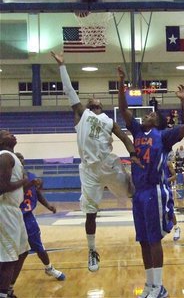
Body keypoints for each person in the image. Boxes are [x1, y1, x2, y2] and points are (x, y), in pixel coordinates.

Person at [51, 52, 137, 272]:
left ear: (102, 108)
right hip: (89, 170)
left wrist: (132, 152)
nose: (94, 103)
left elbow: (124, 136)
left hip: (109, 165)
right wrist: (62, 67)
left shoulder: (108, 120)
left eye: (97, 103)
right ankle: (92, 250)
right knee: (90, 212)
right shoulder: (83, 115)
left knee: (133, 193)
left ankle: (149, 217)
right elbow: (69, 91)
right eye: (91, 103)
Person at [117, 66, 184, 298]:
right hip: (139, 193)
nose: (147, 115)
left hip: (155, 191)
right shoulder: (138, 132)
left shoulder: (164, 136)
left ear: (158, 122)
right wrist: (121, 84)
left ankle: (160, 286)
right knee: (142, 240)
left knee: (153, 239)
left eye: (151, 115)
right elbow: (123, 110)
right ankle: (150, 285)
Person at [15, 153, 66, 281]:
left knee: (38, 247)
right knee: (15, 252)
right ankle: (7, 284)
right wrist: (30, 183)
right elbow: (14, 192)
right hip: (12, 217)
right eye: (18, 160)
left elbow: (37, 192)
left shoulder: (31, 176)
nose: (20, 162)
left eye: (22, 160)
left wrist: (48, 206)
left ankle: (49, 268)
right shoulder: (9, 179)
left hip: (27, 218)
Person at [0, 130, 37, 298]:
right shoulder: (4, 156)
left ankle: (7, 288)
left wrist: (30, 184)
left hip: (14, 210)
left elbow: (16, 187)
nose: (11, 134)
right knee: (9, 256)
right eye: (6, 133)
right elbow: (2, 187)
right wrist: (24, 181)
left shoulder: (12, 158)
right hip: (4, 209)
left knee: (22, 252)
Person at [166, 157, 181, 241]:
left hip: (166, 189)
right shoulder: (153, 163)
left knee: (170, 211)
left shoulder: (168, 163)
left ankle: (176, 228)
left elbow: (175, 176)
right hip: (155, 189)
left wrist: (166, 180)